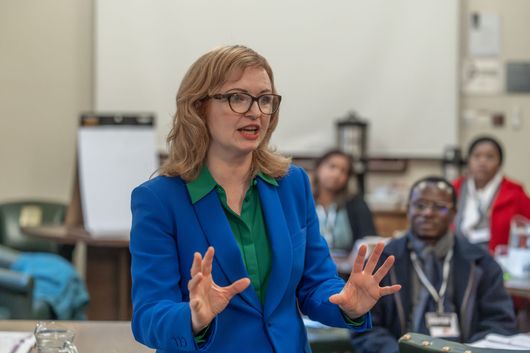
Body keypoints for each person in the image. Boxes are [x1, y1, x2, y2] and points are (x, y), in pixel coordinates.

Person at [129, 45, 401, 353]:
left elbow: (315, 284)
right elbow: (147, 316)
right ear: (198, 106)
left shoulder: (292, 184)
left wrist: (347, 304)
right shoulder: (158, 199)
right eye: (238, 97)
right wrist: (191, 317)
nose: (256, 112)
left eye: (265, 99)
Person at [350, 176, 516, 353]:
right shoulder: (382, 261)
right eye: (420, 205)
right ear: (408, 210)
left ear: (454, 213)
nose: (428, 213)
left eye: (440, 207)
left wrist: (467, 351)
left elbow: (500, 322)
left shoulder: (481, 262)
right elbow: (365, 327)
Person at [453, 136, 530, 252]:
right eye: (477, 156)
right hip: (457, 254)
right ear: (468, 160)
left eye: (489, 157)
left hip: (497, 259)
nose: (482, 161)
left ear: (499, 163)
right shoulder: (454, 188)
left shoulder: (515, 192)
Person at [312, 149, 377, 254]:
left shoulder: (356, 204)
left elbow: (368, 239)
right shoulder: (304, 202)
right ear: (318, 167)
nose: (337, 174)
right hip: (310, 266)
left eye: (343, 171)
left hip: (347, 267)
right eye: (332, 166)